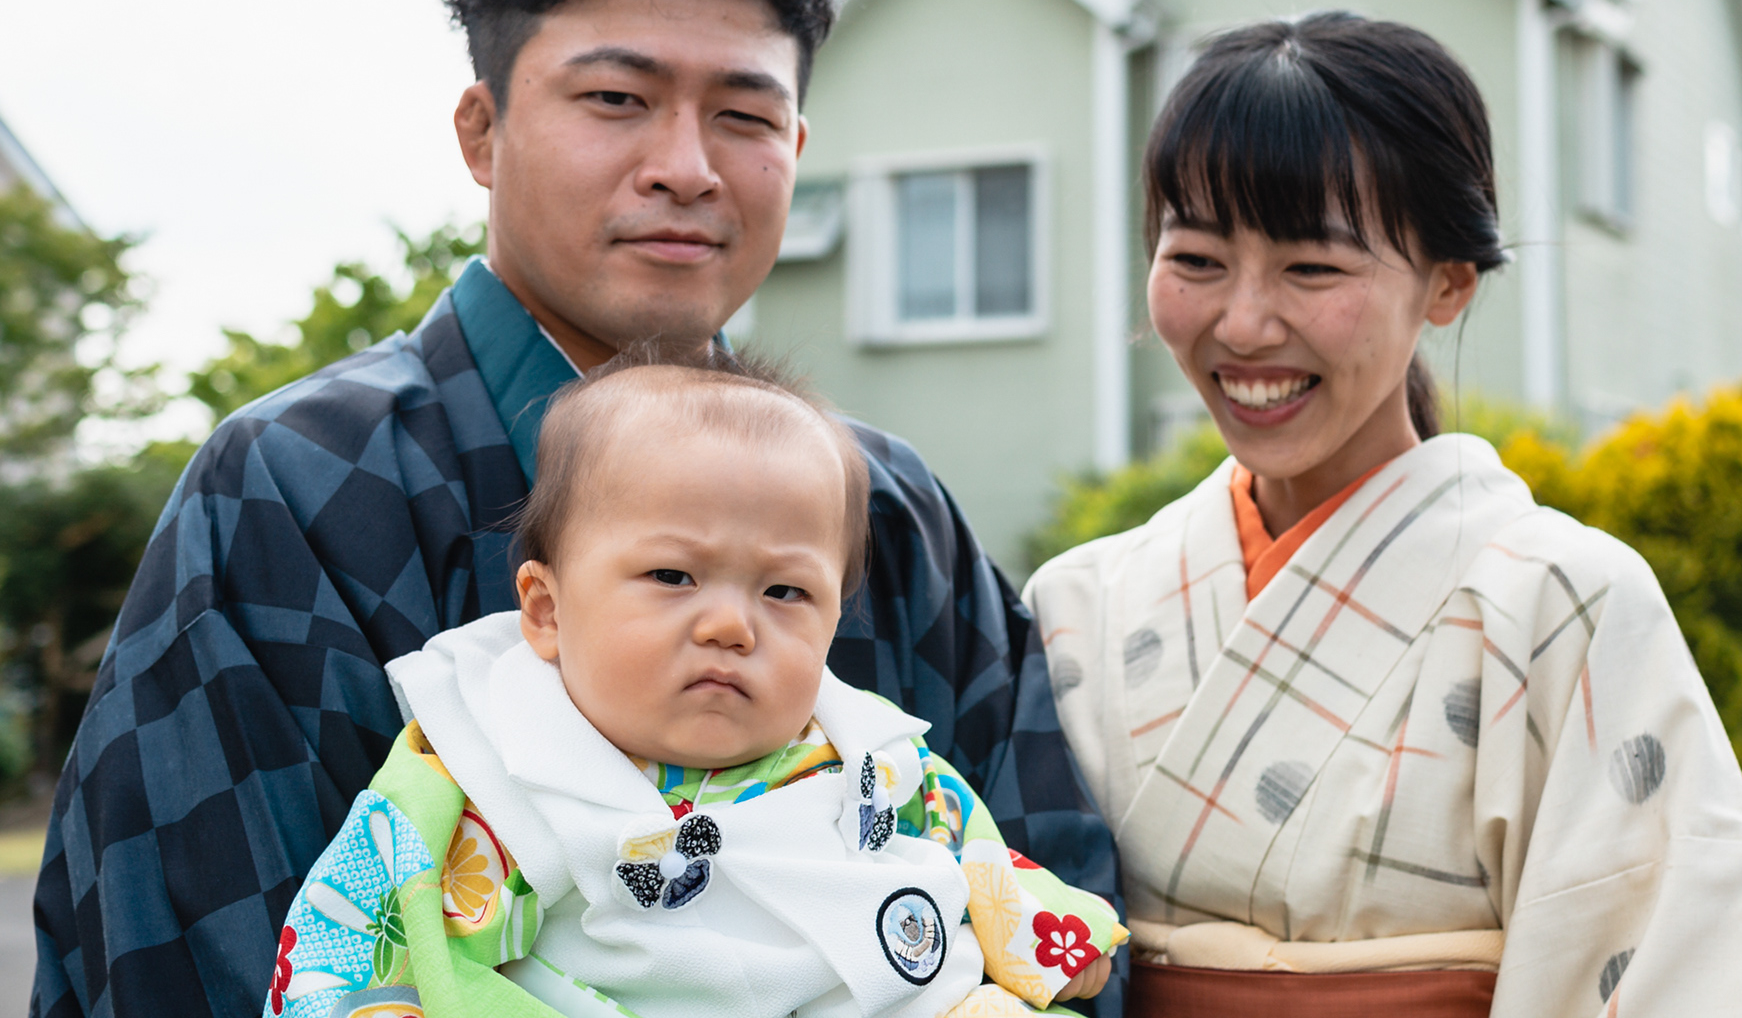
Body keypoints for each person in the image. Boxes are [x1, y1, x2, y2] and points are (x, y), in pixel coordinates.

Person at [34, 0, 1118, 1018]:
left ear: (798, 146)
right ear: (481, 130)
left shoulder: (891, 507)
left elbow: (1051, 896)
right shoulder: (296, 485)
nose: (687, 165)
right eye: (616, 98)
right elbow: (192, 954)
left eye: (746, 116)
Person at [1023, 14, 1742, 1016]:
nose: (1243, 323)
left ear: (1449, 281)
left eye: (1312, 267)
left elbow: (1671, 972)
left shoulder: (1565, 607)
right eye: (1198, 260)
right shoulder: (1075, 604)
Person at [263, 347, 1124, 1018]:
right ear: (547, 610)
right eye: (673, 577)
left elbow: (965, 845)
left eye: (784, 592)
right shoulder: (489, 770)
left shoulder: (867, 749)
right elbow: (365, 932)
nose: (730, 625)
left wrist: (1045, 929)